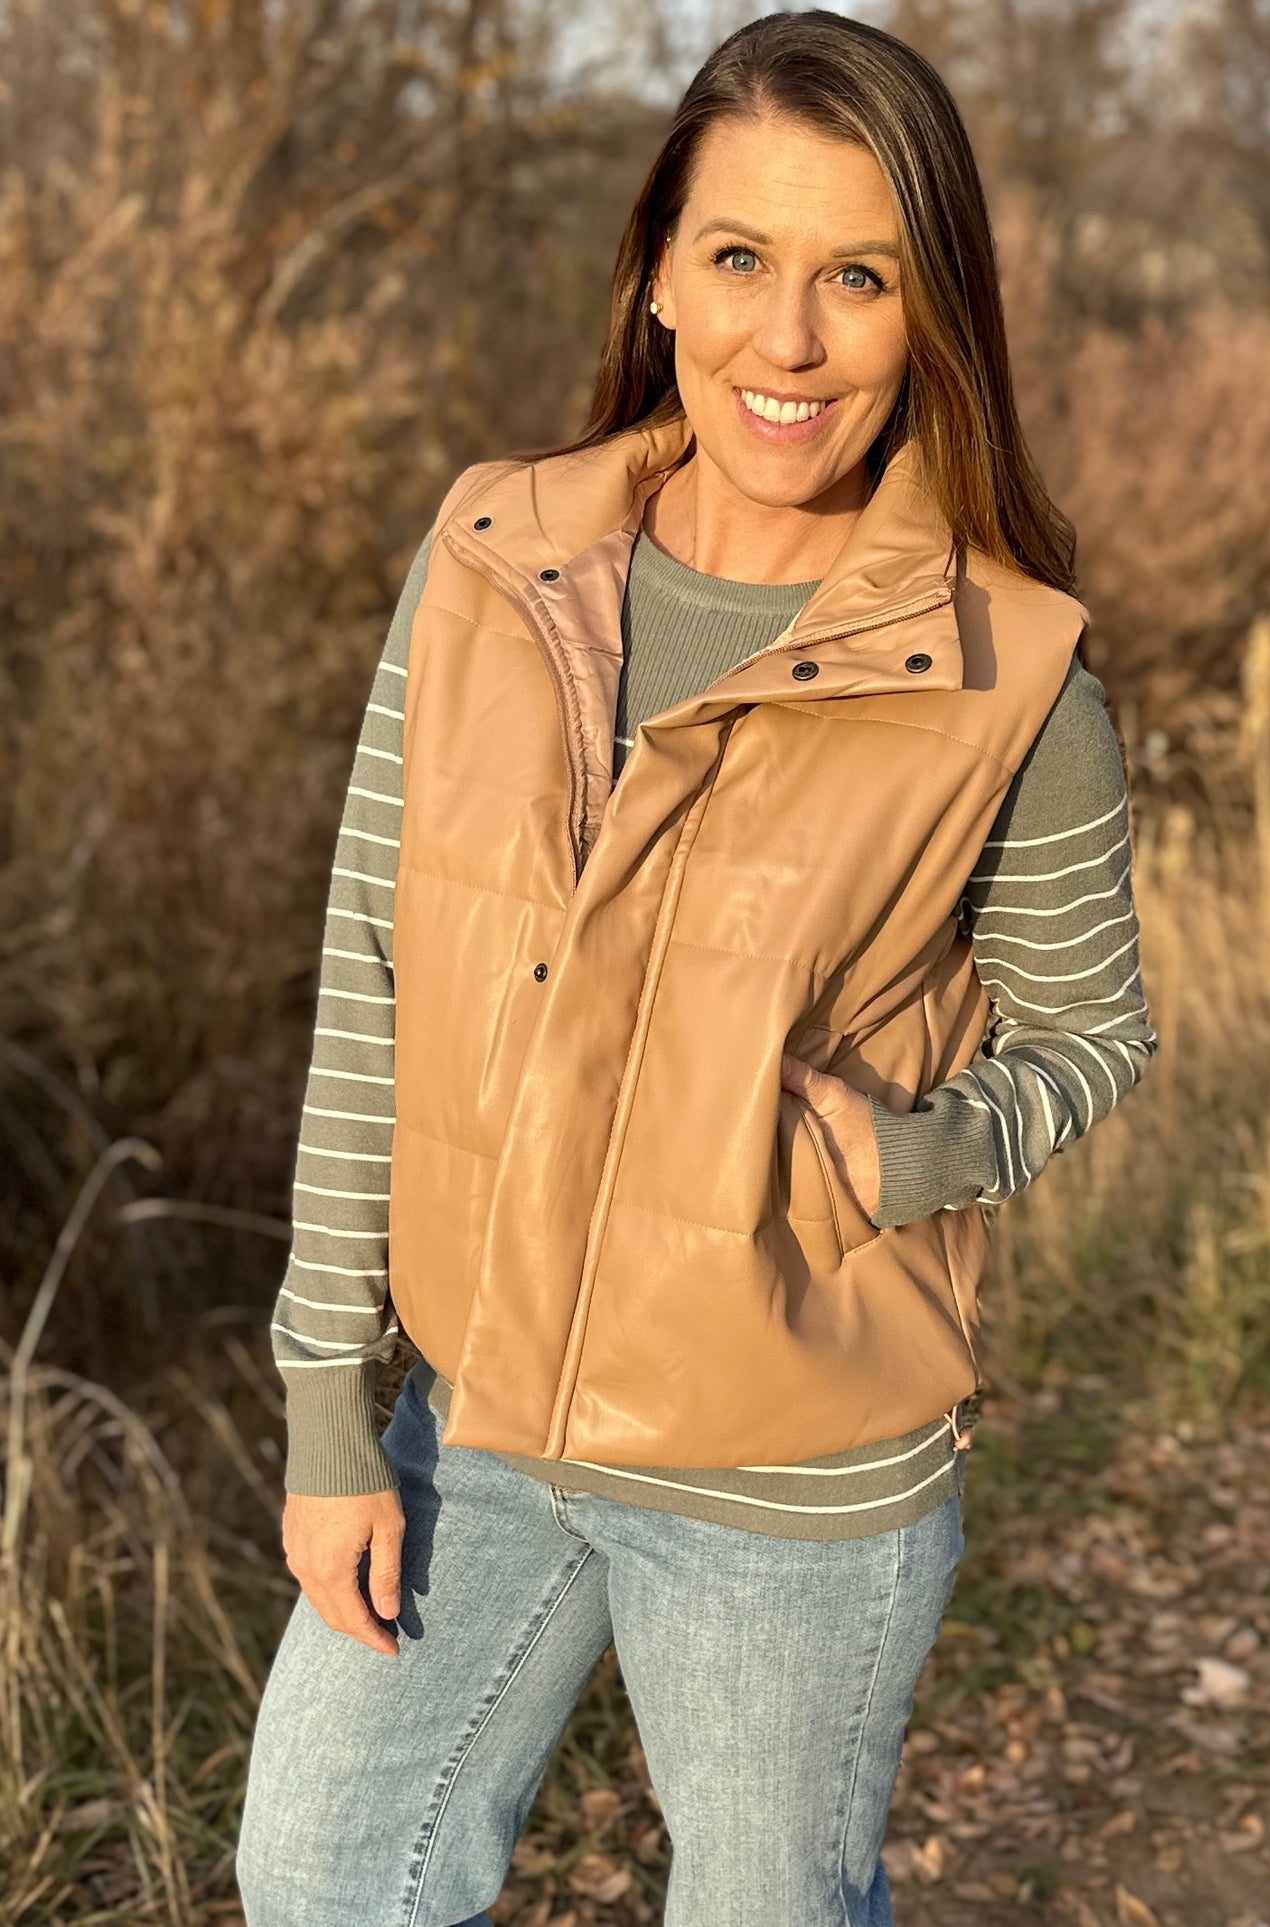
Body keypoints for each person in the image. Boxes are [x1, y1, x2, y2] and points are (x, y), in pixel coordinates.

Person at [235, 11, 1158, 1924]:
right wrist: (334, 1403)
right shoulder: (495, 557)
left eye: (858, 277)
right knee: (324, 1872)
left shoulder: (1013, 673)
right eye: (739, 259)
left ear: (934, 313)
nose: (787, 339)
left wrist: (909, 1157)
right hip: (469, 1424)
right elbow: (371, 979)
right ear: (660, 269)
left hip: (792, 1477)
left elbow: (1090, 1035)